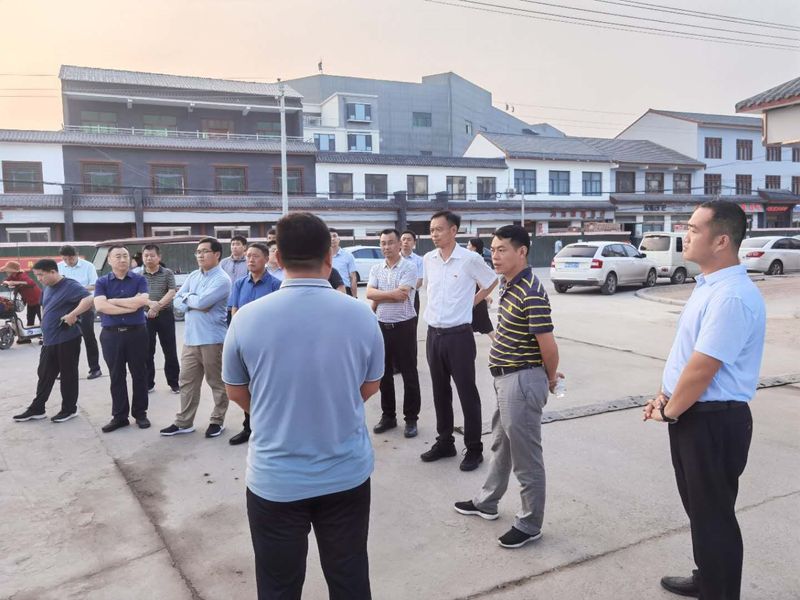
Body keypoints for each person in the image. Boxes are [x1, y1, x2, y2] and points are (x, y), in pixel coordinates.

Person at [222, 212, 384, 600]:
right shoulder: (361, 314)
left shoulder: (246, 318)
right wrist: (334, 404)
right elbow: (370, 385)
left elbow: (235, 391)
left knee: (278, 587)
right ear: (329, 255)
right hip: (345, 474)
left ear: (277, 258)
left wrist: (274, 412)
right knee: (349, 579)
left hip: (275, 479)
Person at [643, 201, 766, 600]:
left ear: (722, 241)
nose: (686, 235)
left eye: (694, 229)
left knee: (714, 517)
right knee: (701, 511)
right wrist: (665, 396)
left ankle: (720, 591)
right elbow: (687, 358)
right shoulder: (709, 286)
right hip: (694, 414)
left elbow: (703, 368)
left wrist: (668, 411)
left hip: (713, 420)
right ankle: (707, 577)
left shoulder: (731, 297)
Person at [454, 225, 563, 549]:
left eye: (502, 249)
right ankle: (487, 502)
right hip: (506, 379)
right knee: (501, 445)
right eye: (493, 249)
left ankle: (530, 523)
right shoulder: (508, 283)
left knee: (527, 458)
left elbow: (548, 346)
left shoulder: (531, 290)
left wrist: (549, 378)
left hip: (522, 380)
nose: (495, 256)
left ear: (522, 252)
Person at [421, 211, 498, 471]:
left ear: (454, 230)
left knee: (467, 393)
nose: (434, 234)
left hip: (459, 337)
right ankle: (445, 442)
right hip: (434, 335)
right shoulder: (429, 259)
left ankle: (474, 449)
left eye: (439, 229)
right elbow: (430, 289)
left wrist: (471, 302)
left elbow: (491, 280)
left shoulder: (470, 259)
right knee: (439, 392)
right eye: (431, 229)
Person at [161, 238, 231, 439]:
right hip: (191, 339)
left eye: (204, 251)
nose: (200, 255)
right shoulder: (193, 275)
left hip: (212, 340)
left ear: (217, 254)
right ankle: (184, 422)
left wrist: (190, 300)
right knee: (187, 382)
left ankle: (217, 421)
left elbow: (202, 302)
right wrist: (194, 300)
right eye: (198, 252)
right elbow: (178, 302)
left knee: (217, 383)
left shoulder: (222, 280)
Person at [12, 259, 95, 423]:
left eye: (41, 275)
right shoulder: (47, 287)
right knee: (44, 374)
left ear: (53, 272)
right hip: (50, 339)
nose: (39, 279)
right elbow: (46, 307)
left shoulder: (70, 285)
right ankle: (37, 408)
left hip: (67, 338)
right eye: (37, 275)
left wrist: (73, 314)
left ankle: (69, 409)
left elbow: (89, 299)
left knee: (68, 375)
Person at [367, 228, 422, 438]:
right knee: (385, 374)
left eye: (390, 242)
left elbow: (402, 295)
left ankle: (411, 419)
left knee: (409, 373)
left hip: (404, 326)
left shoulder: (409, 267)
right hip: (382, 327)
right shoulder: (376, 268)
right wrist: (387, 294)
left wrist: (380, 294)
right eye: (383, 243)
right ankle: (388, 416)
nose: (386, 247)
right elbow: (369, 293)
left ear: (399, 244)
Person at [227, 242, 281, 446]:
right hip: (244, 342)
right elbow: (234, 310)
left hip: (267, 344)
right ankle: (249, 427)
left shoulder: (275, 285)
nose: (250, 259)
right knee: (246, 385)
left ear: (266, 259)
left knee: (266, 387)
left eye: (255, 256)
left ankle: (270, 428)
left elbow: (277, 317)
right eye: (248, 256)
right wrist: (235, 336)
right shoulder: (240, 284)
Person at [94, 245, 152, 433]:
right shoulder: (102, 282)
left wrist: (113, 302)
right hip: (111, 335)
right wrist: (130, 306)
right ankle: (120, 417)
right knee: (116, 375)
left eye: (125, 256)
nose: (122, 259)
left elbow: (142, 301)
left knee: (139, 374)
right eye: (118, 256)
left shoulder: (139, 279)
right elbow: (101, 307)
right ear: (109, 260)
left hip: (137, 333)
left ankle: (140, 413)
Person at [139, 244, 180, 394]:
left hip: (165, 315)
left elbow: (171, 291)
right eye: (146, 256)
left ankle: (174, 382)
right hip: (145, 316)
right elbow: (137, 295)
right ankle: (148, 383)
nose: (149, 258)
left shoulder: (167, 273)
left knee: (170, 349)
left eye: (152, 255)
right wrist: (150, 306)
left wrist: (157, 307)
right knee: (147, 350)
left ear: (159, 257)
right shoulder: (138, 275)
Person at [58, 245, 102, 379]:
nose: (68, 262)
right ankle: (66, 370)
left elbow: (94, 285)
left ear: (77, 255)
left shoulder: (88, 266)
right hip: (66, 306)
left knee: (88, 336)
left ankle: (95, 368)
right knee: (66, 339)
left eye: (71, 259)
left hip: (85, 305)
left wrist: (76, 288)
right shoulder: (59, 267)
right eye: (65, 259)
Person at [1, 261, 43, 336]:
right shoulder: (12, 276)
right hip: (29, 301)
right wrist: (7, 282)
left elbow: (29, 282)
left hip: (38, 299)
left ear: (12, 271)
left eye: (7, 271)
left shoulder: (21, 275)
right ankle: (28, 337)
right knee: (30, 318)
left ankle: (44, 335)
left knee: (42, 318)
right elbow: (5, 281)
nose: (6, 272)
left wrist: (15, 282)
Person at [466, 238, 495, 342]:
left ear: (474, 247)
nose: (467, 247)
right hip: (475, 296)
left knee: (486, 325)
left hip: (476, 297)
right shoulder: (478, 259)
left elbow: (479, 280)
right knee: (483, 325)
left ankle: (499, 345)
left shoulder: (474, 260)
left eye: (469, 245)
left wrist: (485, 296)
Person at [221, 235, 248, 325]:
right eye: (232, 244)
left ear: (244, 247)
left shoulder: (249, 263)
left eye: (238, 244)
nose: (234, 247)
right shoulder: (223, 263)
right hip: (225, 305)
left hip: (242, 304)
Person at [400, 230, 424, 321]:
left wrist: (405, 291)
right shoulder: (394, 259)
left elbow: (420, 280)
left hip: (413, 295)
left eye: (409, 239)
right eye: (403, 239)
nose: (406, 242)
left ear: (414, 243)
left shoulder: (419, 260)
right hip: (394, 295)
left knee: (412, 323)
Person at [330, 228, 358, 298]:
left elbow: (353, 278)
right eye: (330, 236)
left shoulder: (348, 255)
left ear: (339, 239)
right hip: (329, 291)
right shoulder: (322, 257)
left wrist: (355, 297)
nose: (332, 239)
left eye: (334, 236)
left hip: (346, 291)